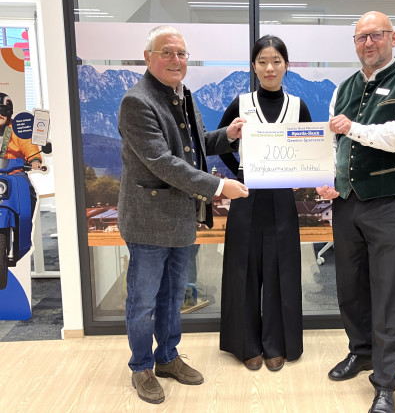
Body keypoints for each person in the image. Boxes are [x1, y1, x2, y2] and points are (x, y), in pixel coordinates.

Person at [117, 25, 249, 405]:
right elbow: (163, 162)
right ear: (148, 58)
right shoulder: (137, 102)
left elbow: (194, 147)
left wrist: (229, 135)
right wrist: (218, 186)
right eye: (167, 52)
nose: (176, 60)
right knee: (143, 300)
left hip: (180, 216)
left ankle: (167, 357)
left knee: (174, 295)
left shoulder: (182, 94)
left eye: (181, 54)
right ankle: (141, 367)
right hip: (147, 220)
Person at [317, 12, 395, 413]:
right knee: (350, 287)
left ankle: (385, 382)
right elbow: (334, 143)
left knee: (387, 294)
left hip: (388, 201)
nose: (368, 43)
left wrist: (354, 128)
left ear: (393, 38)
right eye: (361, 37)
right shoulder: (344, 87)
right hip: (346, 201)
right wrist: (328, 178)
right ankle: (361, 350)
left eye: (376, 35)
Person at [218, 35, 311, 372]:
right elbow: (220, 142)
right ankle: (246, 344)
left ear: (286, 65)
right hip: (247, 194)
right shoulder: (241, 103)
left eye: (276, 61)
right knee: (243, 267)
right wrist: (239, 173)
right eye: (262, 61)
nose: (270, 67)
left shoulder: (298, 106)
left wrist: (302, 173)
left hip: (282, 195)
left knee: (280, 267)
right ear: (254, 66)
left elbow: (309, 148)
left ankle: (277, 343)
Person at [0, 92, 42, 214]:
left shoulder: (17, 128)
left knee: (26, 190)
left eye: (3, 111)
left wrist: (34, 159)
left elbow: (28, 144)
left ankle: (25, 220)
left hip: (14, 172)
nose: (0, 115)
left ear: (10, 112)